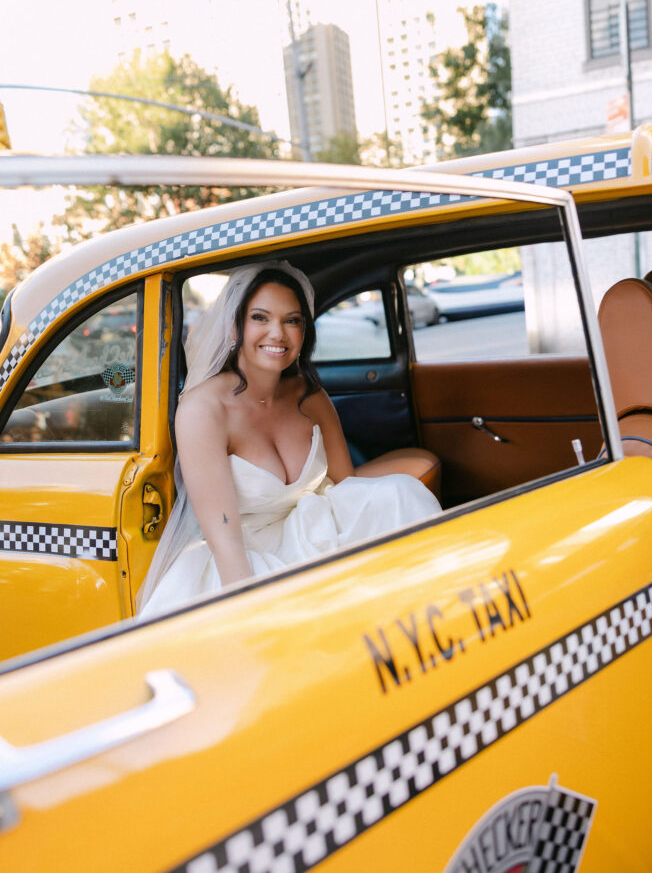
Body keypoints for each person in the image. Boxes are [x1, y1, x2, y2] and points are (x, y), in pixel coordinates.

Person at [137, 260, 441, 619]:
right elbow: (224, 541)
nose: (277, 334)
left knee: (401, 495)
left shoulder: (308, 395)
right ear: (235, 327)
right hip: (244, 555)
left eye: (292, 320)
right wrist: (252, 610)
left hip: (312, 529)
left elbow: (346, 487)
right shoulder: (203, 409)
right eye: (261, 318)